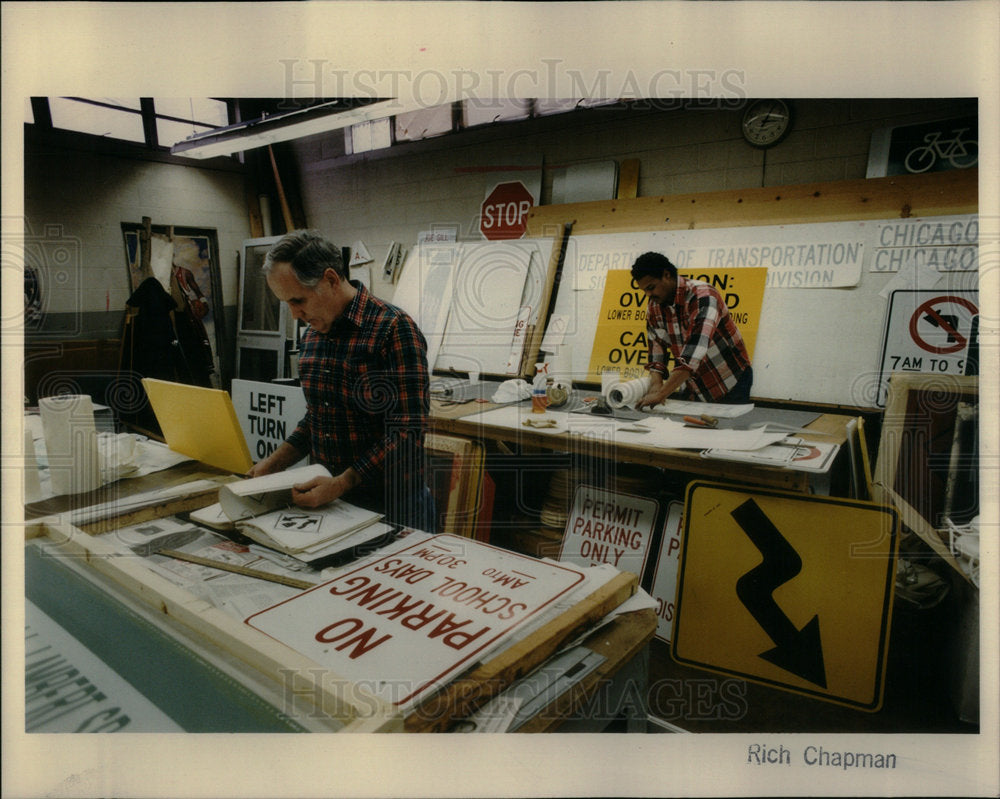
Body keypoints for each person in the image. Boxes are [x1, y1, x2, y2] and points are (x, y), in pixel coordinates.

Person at [248, 230, 435, 531]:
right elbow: (319, 415)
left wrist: (342, 482)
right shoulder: (313, 335)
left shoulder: (393, 329)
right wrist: (276, 461)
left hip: (392, 506)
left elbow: (407, 431)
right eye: (287, 304)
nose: (295, 314)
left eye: (299, 300)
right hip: (331, 501)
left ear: (331, 280)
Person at [630, 251, 753, 408]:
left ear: (666, 275)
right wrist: (656, 384)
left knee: (727, 430)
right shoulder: (654, 306)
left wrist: (661, 394)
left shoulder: (703, 296)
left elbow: (692, 354)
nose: (648, 295)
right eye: (644, 290)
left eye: (651, 287)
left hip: (729, 380)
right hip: (693, 385)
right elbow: (657, 349)